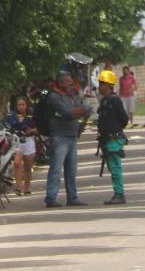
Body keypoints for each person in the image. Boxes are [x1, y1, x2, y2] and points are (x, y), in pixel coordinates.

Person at [44, 68, 89, 208]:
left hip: (72, 136)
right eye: (68, 81)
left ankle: (72, 197)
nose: (71, 84)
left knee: (71, 170)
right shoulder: (54, 97)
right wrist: (77, 112)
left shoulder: (71, 95)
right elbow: (66, 112)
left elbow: (86, 109)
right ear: (61, 82)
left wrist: (76, 112)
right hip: (59, 137)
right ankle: (51, 198)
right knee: (56, 168)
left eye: (71, 81)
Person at [96, 69, 130, 205]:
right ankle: (117, 193)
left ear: (109, 85)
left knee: (115, 167)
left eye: (102, 84)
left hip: (114, 139)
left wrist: (114, 130)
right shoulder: (104, 101)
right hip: (106, 139)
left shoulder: (115, 100)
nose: (100, 87)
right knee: (112, 167)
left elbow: (124, 119)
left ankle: (119, 194)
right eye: (99, 83)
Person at [6, 97, 37, 196]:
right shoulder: (11, 115)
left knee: (28, 166)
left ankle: (26, 188)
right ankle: (18, 187)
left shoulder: (31, 116)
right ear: (16, 106)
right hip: (17, 141)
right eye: (19, 105)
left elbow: (39, 128)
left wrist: (31, 130)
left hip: (28, 141)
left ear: (26, 106)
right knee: (17, 163)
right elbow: (7, 126)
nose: (21, 107)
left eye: (23, 105)